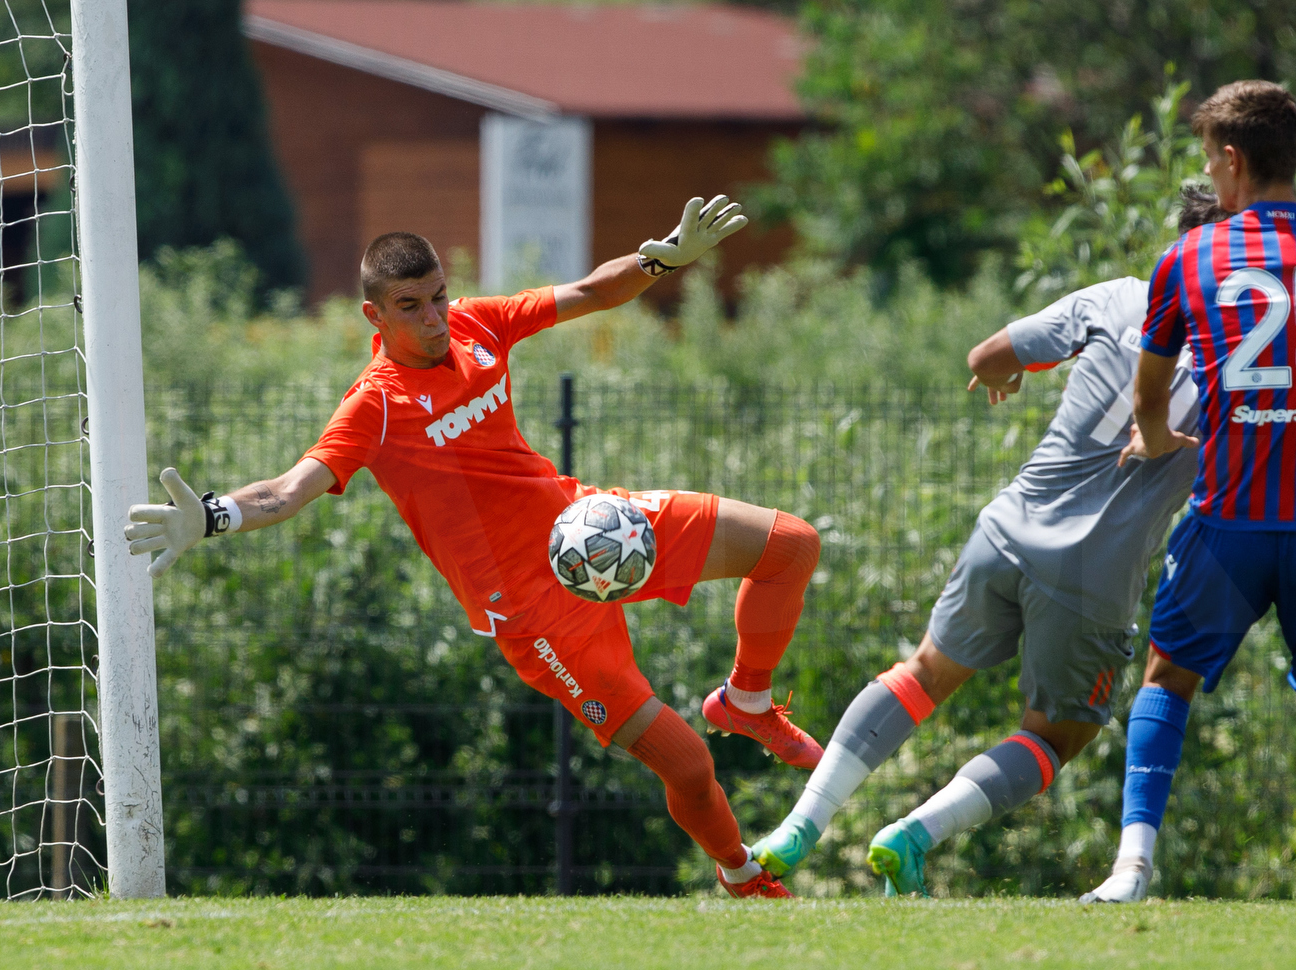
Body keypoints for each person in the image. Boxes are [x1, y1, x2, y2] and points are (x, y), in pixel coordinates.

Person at [124, 196, 824, 899]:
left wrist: (659, 256)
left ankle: (747, 699)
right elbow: (289, 488)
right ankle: (741, 873)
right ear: (375, 315)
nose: (433, 319)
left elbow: (589, 291)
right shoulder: (377, 402)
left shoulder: (476, 324)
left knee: (790, 545)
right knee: (689, 765)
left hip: (590, 529)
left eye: (438, 297)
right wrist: (215, 514)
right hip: (536, 613)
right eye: (411, 307)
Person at [747, 189, 1230, 895]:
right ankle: (913, 834)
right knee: (1057, 733)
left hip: (1007, 529)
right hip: (1094, 572)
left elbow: (990, 353)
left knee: (922, 672)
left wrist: (1003, 370)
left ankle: (798, 825)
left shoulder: (1119, 296)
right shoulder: (1243, 353)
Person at [1084, 80, 1296, 905]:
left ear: (1232, 162)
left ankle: (1130, 869)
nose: (1207, 176)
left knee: (1167, 678)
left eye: (1208, 161)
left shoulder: (1188, 258)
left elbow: (1149, 388)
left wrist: (1156, 439)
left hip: (1230, 519)